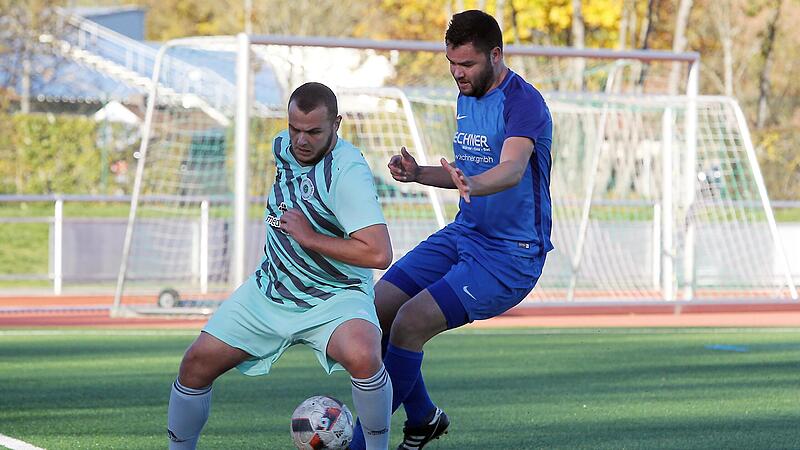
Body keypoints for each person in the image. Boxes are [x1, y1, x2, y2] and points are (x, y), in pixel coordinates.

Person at [350, 10, 553, 450]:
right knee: (376, 308)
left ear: (496, 56)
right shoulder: (467, 95)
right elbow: (466, 171)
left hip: (510, 256)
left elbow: (511, 170)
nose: (458, 73)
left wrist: (472, 185)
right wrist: (419, 172)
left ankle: (359, 442)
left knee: (409, 323)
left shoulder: (524, 102)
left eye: (467, 64)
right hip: (465, 235)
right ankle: (422, 418)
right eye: (452, 64)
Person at [167, 82, 394, 450]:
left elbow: (379, 254)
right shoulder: (281, 147)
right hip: (270, 290)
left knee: (364, 354)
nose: (301, 141)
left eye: (314, 132)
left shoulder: (348, 173)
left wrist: (310, 237)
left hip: (334, 296)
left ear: (336, 124)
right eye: (295, 129)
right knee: (195, 364)